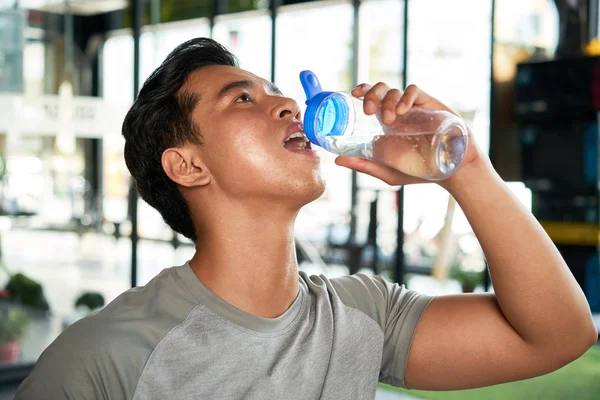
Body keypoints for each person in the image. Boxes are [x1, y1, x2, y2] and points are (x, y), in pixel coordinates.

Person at [16, 38, 597, 400]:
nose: (289, 104)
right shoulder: (102, 361)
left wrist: (466, 168)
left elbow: (560, 336)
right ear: (187, 165)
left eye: (278, 93)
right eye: (243, 99)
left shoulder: (365, 316)